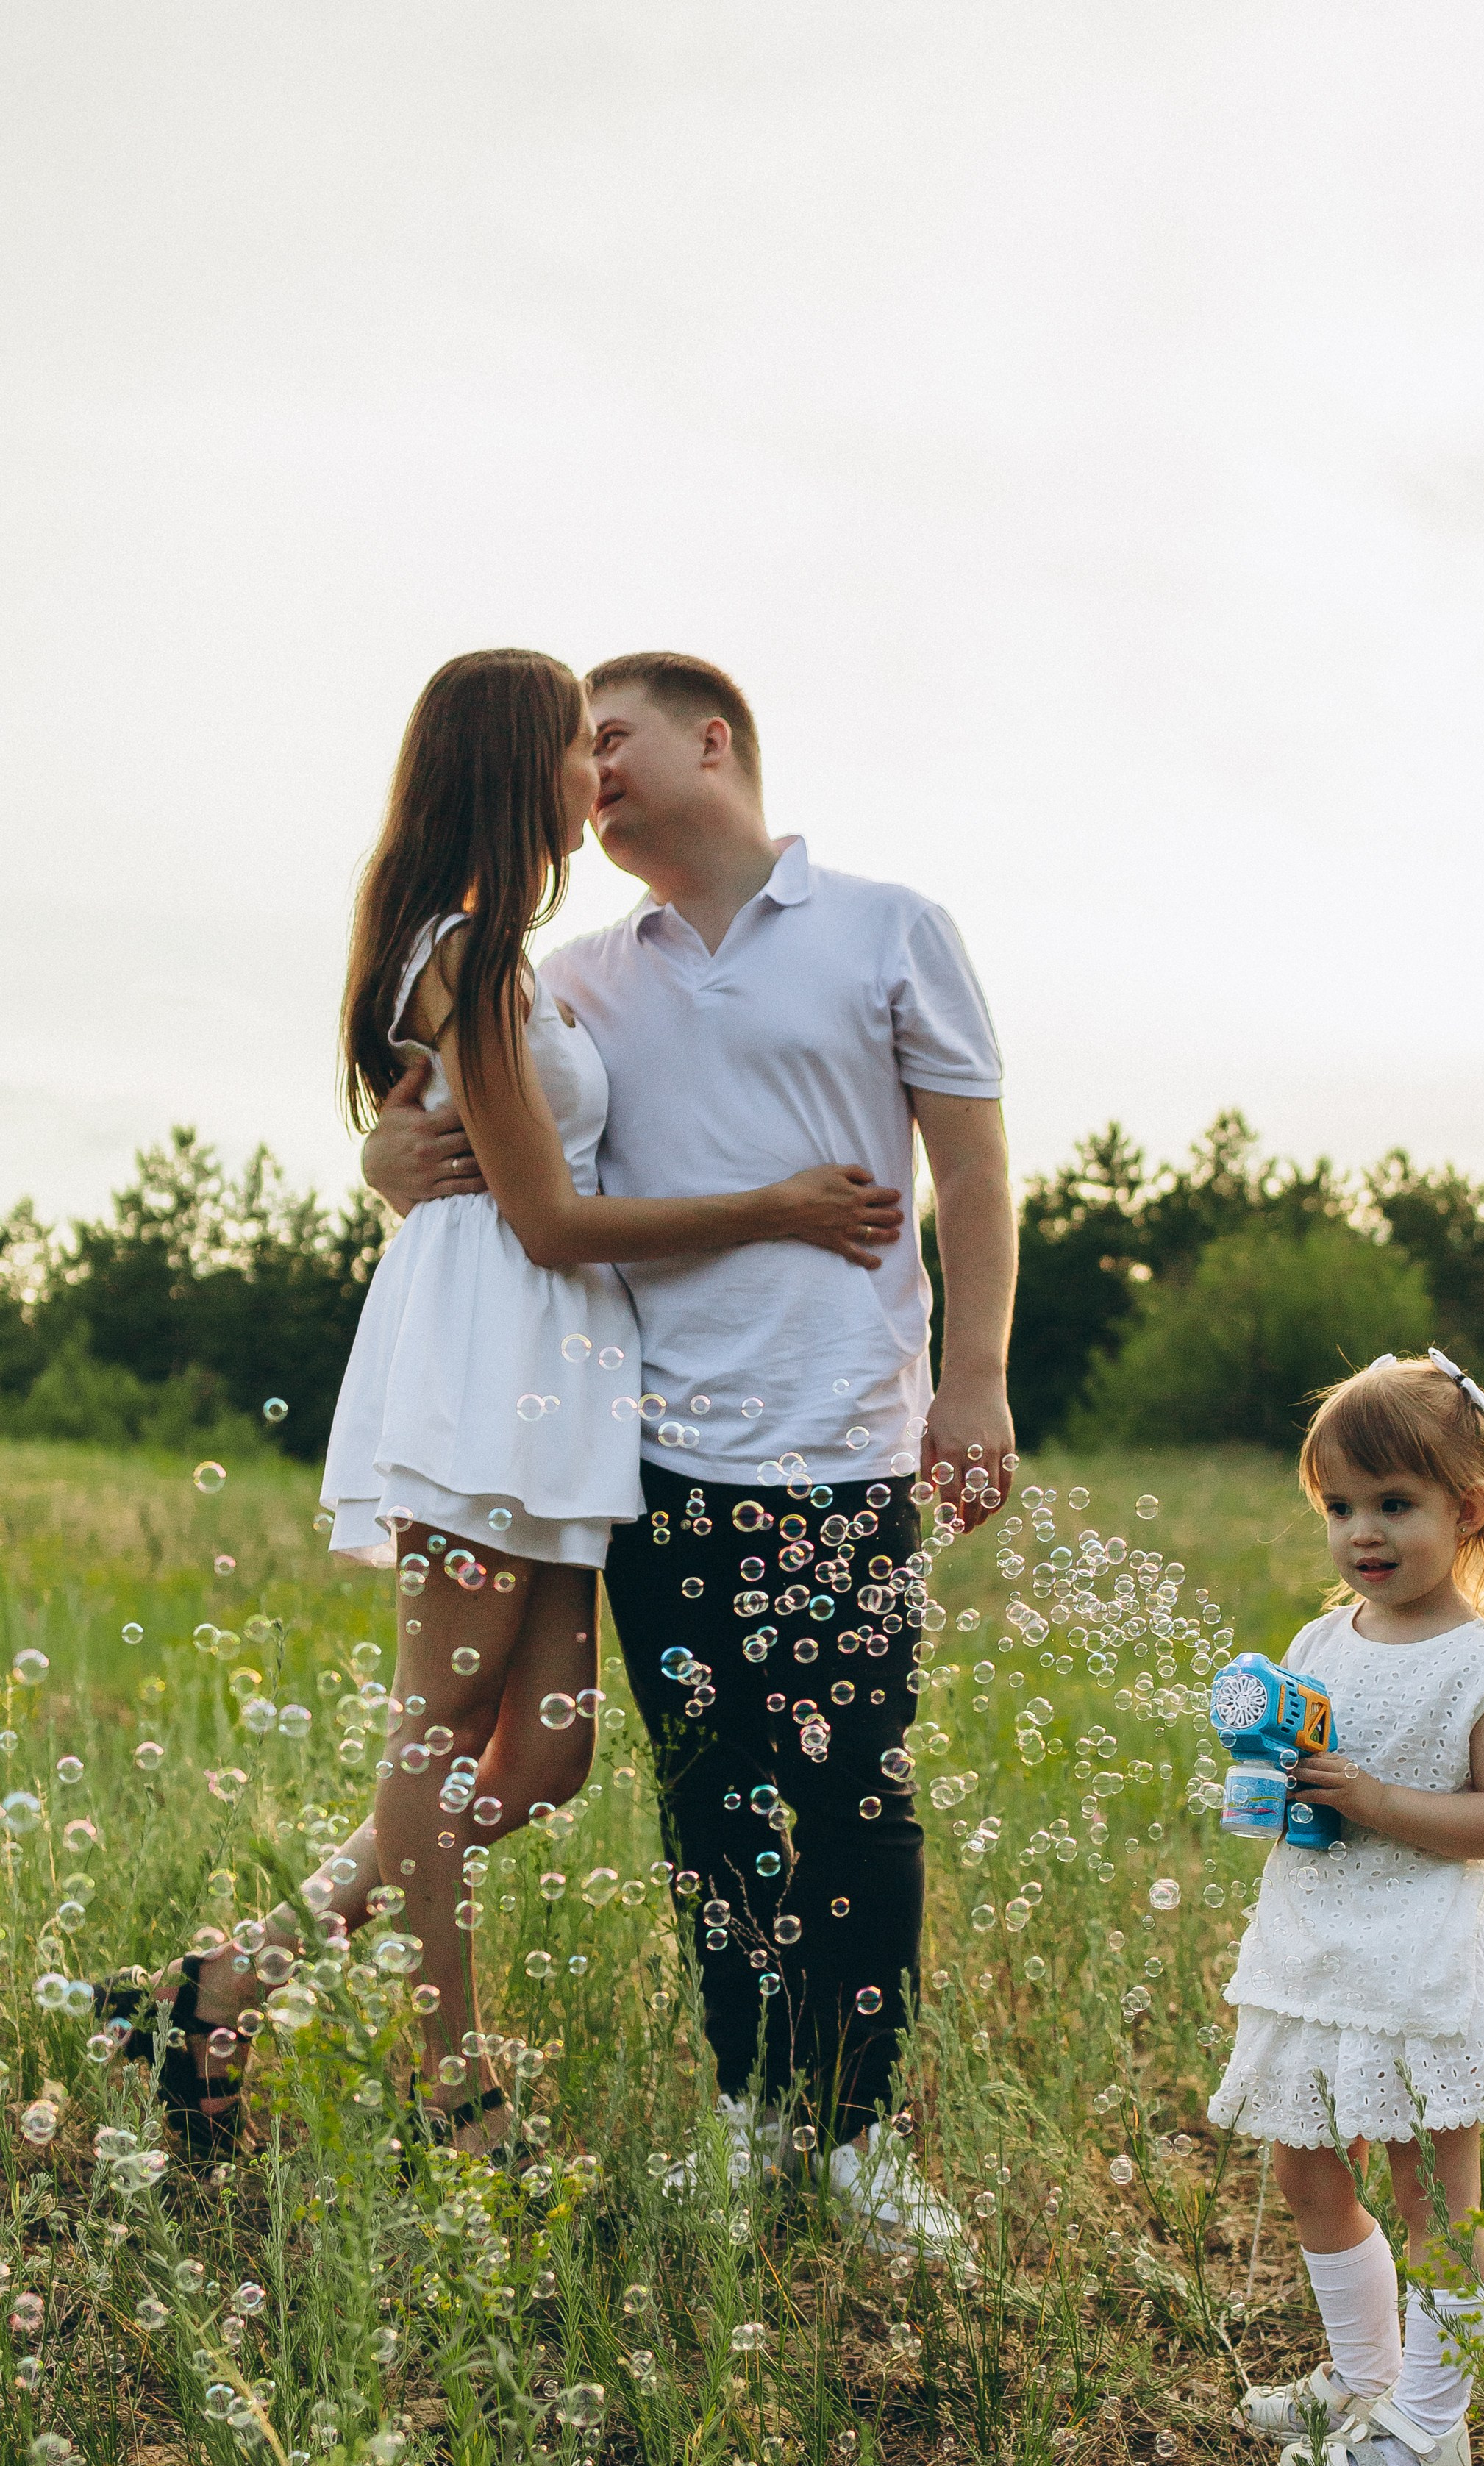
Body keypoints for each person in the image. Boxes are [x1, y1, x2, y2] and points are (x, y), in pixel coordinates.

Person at [99, 650, 902, 2155]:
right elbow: (540, 1219)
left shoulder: (496, 953)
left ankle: (218, 1982)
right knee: (438, 1726)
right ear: (512, 765)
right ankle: (448, 2084)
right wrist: (778, 1205)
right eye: (571, 746)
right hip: (492, 1367)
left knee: (542, 1754)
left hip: (553, 1376)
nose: (593, 772)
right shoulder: (463, 951)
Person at [364, 652, 1015, 2253]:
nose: (589, 775)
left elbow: (975, 1170)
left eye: (615, 739)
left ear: (712, 739)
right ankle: (747, 2115)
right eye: (574, 751)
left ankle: (858, 2136)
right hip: (644, 1452)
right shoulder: (578, 971)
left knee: (853, 1791)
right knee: (708, 1795)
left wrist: (978, 1383)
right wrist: (384, 1150)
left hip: (848, 1440)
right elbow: (475, 1124)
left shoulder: (888, 926)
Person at [1212, 1350, 1484, 2466]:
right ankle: (1363, 2378)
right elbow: (1309, 1770)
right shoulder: (1322, 1643)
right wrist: (1273, 1785)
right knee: (1309, 2176)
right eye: (1340, 1507)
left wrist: (1372, 1800)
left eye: (1394, 1504)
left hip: (1416, 1970)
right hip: (1314, 1957)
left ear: (1465, 1510)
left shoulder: (1482, 1669)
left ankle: (1431, 2434)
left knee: (1428, 2202)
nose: (1363, 1532)